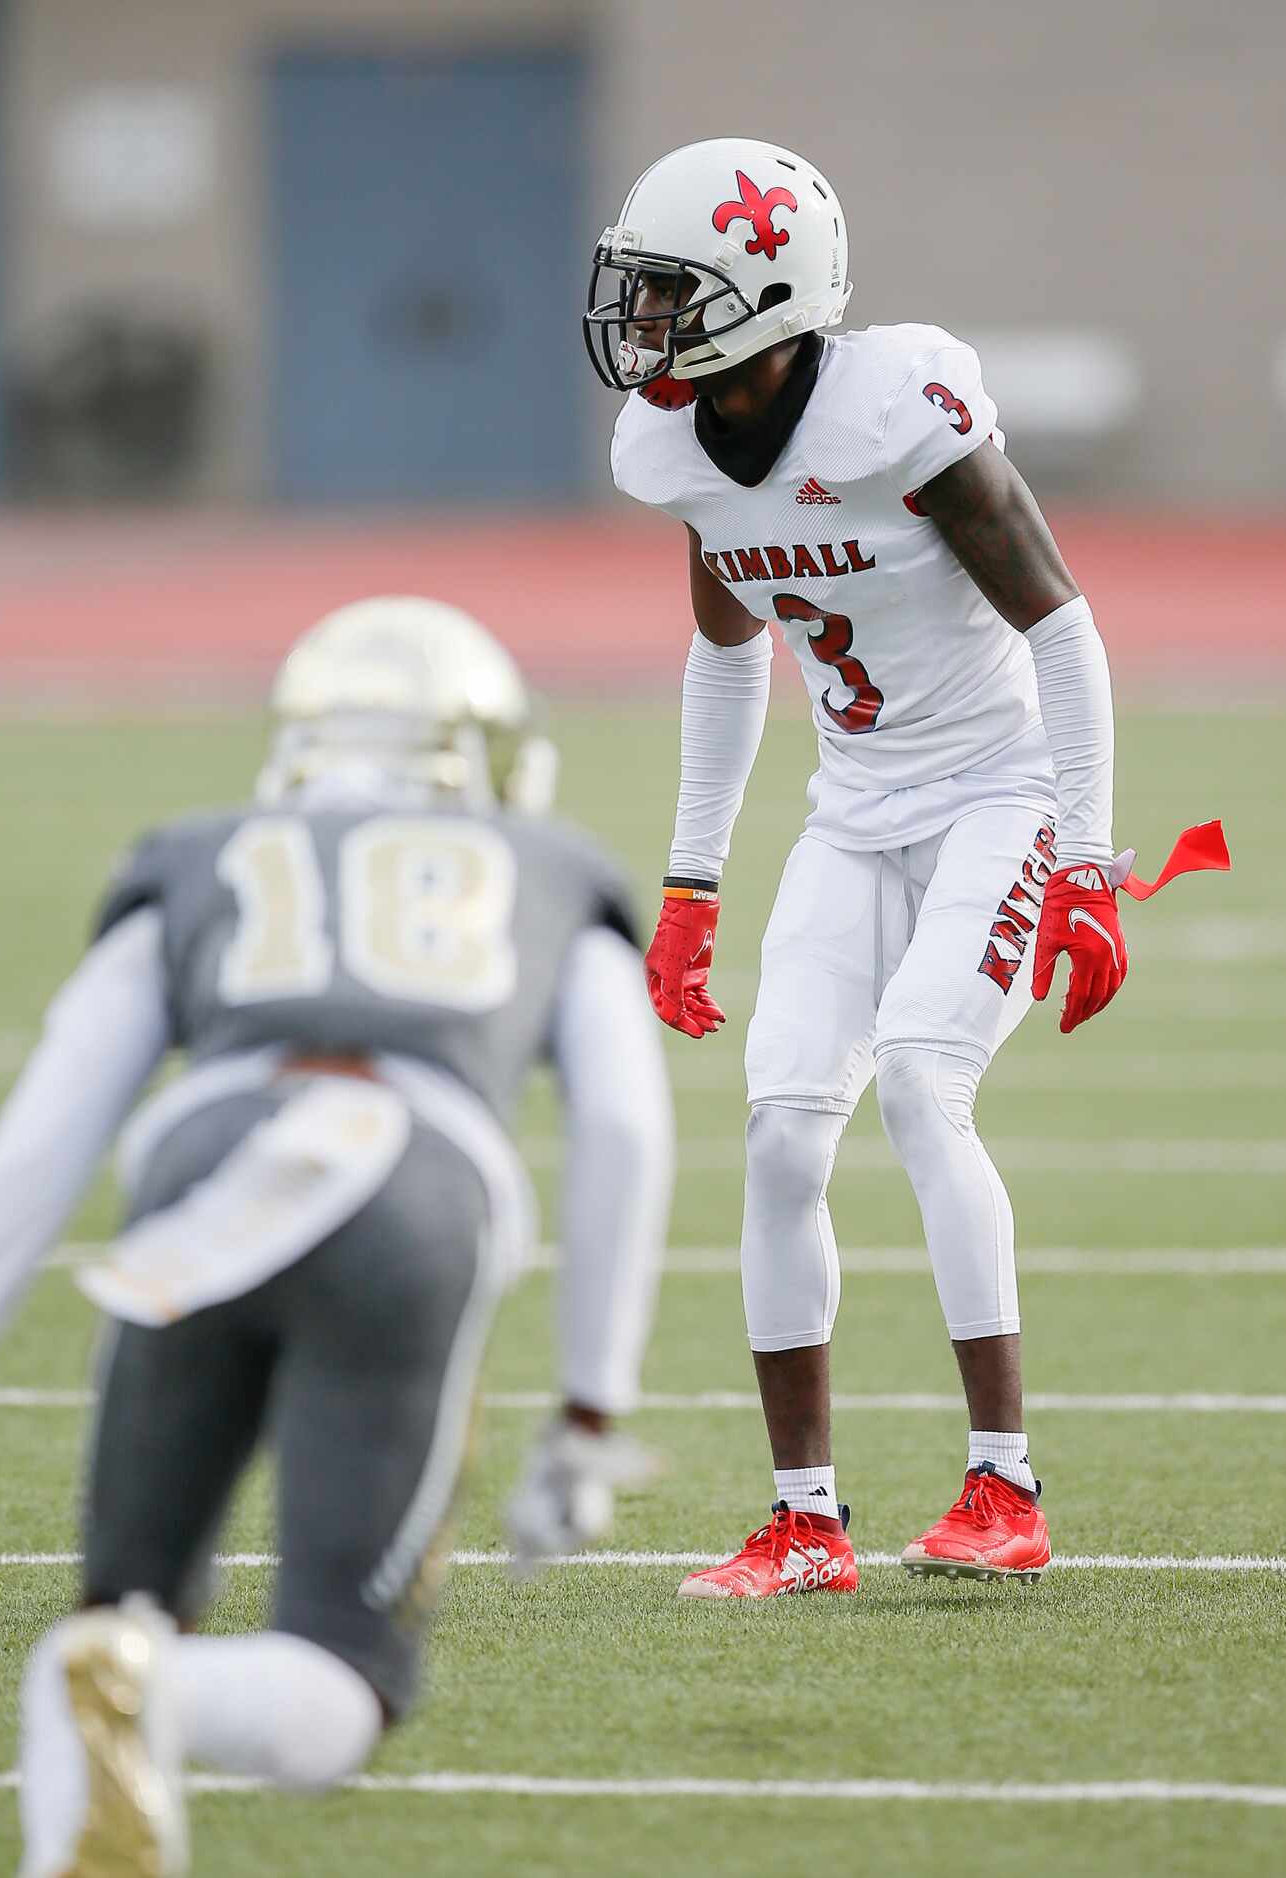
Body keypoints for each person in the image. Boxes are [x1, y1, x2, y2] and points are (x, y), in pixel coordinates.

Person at [0, 596, 673, 1875]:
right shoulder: (544, 863)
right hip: (410, 1182)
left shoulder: (200, 852)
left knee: (115, 1621)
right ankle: (161, 1700)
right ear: (477, 753)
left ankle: (109, 1705)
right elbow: (620, 1122)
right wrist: (590, 1413)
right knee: (338, 1686)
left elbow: (27, 1164)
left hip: (198, 1172)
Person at [586, 136, 1223, 1599]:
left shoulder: (899, 412)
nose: (648, 324)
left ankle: (1002, 1486)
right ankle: (805, 1522)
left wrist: (1077, 855)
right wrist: (690, 884)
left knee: (928, 1085)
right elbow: (727, 652)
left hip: (996, 792)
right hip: (856, 806)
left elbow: (1062, 627)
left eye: (674, 293)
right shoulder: (679, 445)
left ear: (762, 294)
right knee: (781, 1131)